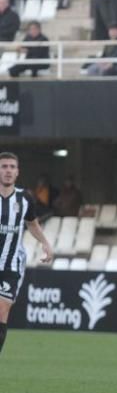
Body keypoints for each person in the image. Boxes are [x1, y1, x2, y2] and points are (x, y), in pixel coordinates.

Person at [0, 152, 55, 356]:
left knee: (2, 310)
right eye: (4, 166)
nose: (8, 170)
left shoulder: (25, 198)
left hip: (10, 264)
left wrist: (45, 243)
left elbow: (31, 223)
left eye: (12, 167)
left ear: (17, 172)